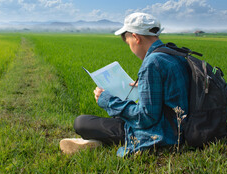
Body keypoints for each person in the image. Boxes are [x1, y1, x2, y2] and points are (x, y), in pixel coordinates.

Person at [60, 12, 190, 157]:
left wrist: (107, 100)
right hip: (179, 126)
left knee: (81, 122)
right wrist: (144, 86)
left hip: (162, 133)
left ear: (136, 37)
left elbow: (146, 117)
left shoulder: (152, 63)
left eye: (128, 43)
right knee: (116, 116)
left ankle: (99, 142)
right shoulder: (172, 53)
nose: (130, 47)